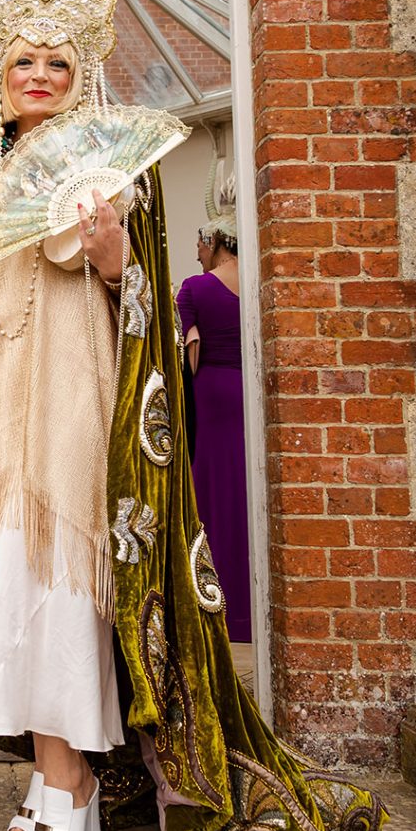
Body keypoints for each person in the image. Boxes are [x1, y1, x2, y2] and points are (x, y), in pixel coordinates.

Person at [0, 0, 387, 831]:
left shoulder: (120, 169)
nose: (40, 76)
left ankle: (68, 778)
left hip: (75, 404)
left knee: (59, 586)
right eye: (24, 60)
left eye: (58, 62)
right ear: (0, 73)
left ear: (83, 73)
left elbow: (145, 303)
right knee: (8, 575)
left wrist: (114, 250)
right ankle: (62, 773)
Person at [176, 207, 251, 642]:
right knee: (245, 489)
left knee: (212, 493)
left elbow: (190, 352)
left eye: (200, 245)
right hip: (249, 391)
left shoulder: (195, 288)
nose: (197, 254)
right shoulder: (258, 280)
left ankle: (219, 605)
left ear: (215, 242)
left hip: (212, 396)